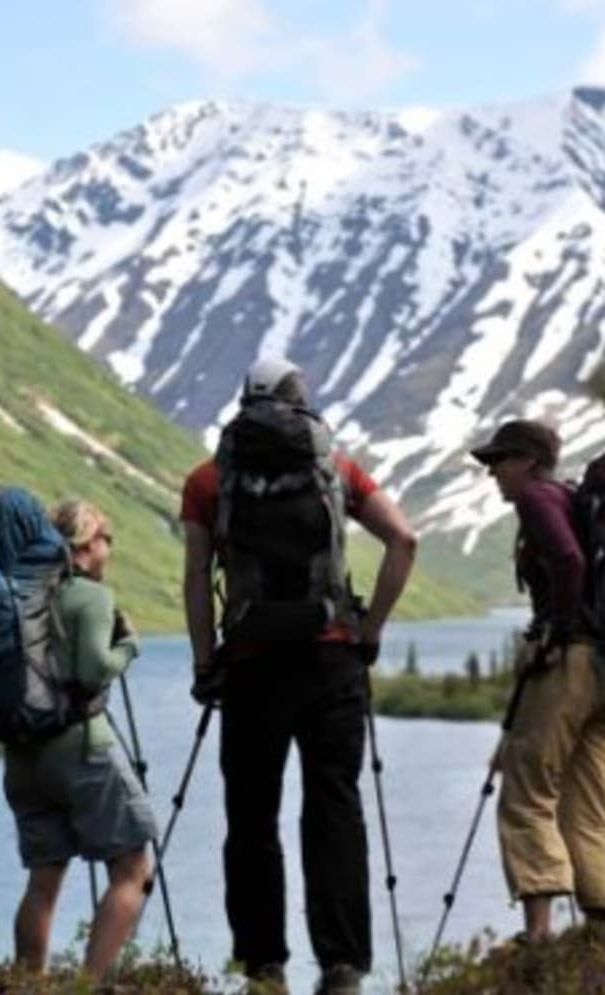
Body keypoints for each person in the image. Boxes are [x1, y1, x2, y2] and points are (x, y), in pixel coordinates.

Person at [181, 357, 418, 995]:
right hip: (331, 659)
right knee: (334, 807)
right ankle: (341, 967)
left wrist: (207, 664)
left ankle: (265, 969)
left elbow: (197, 579)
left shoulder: (208, 480)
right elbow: (404, 540)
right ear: (301, 400)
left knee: (252, 817)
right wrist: (370, 632)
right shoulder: (334, 469)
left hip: (253, 666)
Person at [470, 419, 605, 941]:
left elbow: (567, 560)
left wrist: (557, 629)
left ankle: (539, 935)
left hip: (572, 664)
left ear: (527, 461)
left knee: (527, 795)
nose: (492, 472)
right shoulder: (571, 498)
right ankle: (600, 931)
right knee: (590, 802)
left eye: (498, 461)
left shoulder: (538, 499)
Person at [4, 498, 157, 980]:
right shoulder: (89, 596)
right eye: (108, 536)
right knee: (133, 869)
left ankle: (29, 986)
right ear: (89, 542)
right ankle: (88, 987)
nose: (111, 545)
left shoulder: (21, 595)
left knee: (43, 880)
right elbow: (93, 670)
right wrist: (127, 647)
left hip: (23, 755)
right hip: (80, 748)